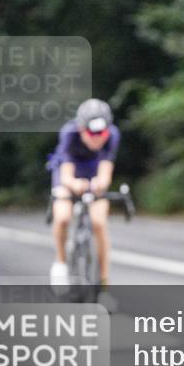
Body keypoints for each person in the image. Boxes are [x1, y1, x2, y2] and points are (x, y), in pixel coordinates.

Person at [47, 99, 120, 291]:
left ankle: (104, 282)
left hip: (94, 171)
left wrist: (99, 184)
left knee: (99, 222)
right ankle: (61, 263)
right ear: (81, 129)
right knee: (62, 216)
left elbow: (105, 172)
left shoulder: (112, 135)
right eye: (92, 133)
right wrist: (74, 184)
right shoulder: (69, 134)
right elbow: (66, 175)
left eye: (102, 133)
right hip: (69, 172)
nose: (97, 138)